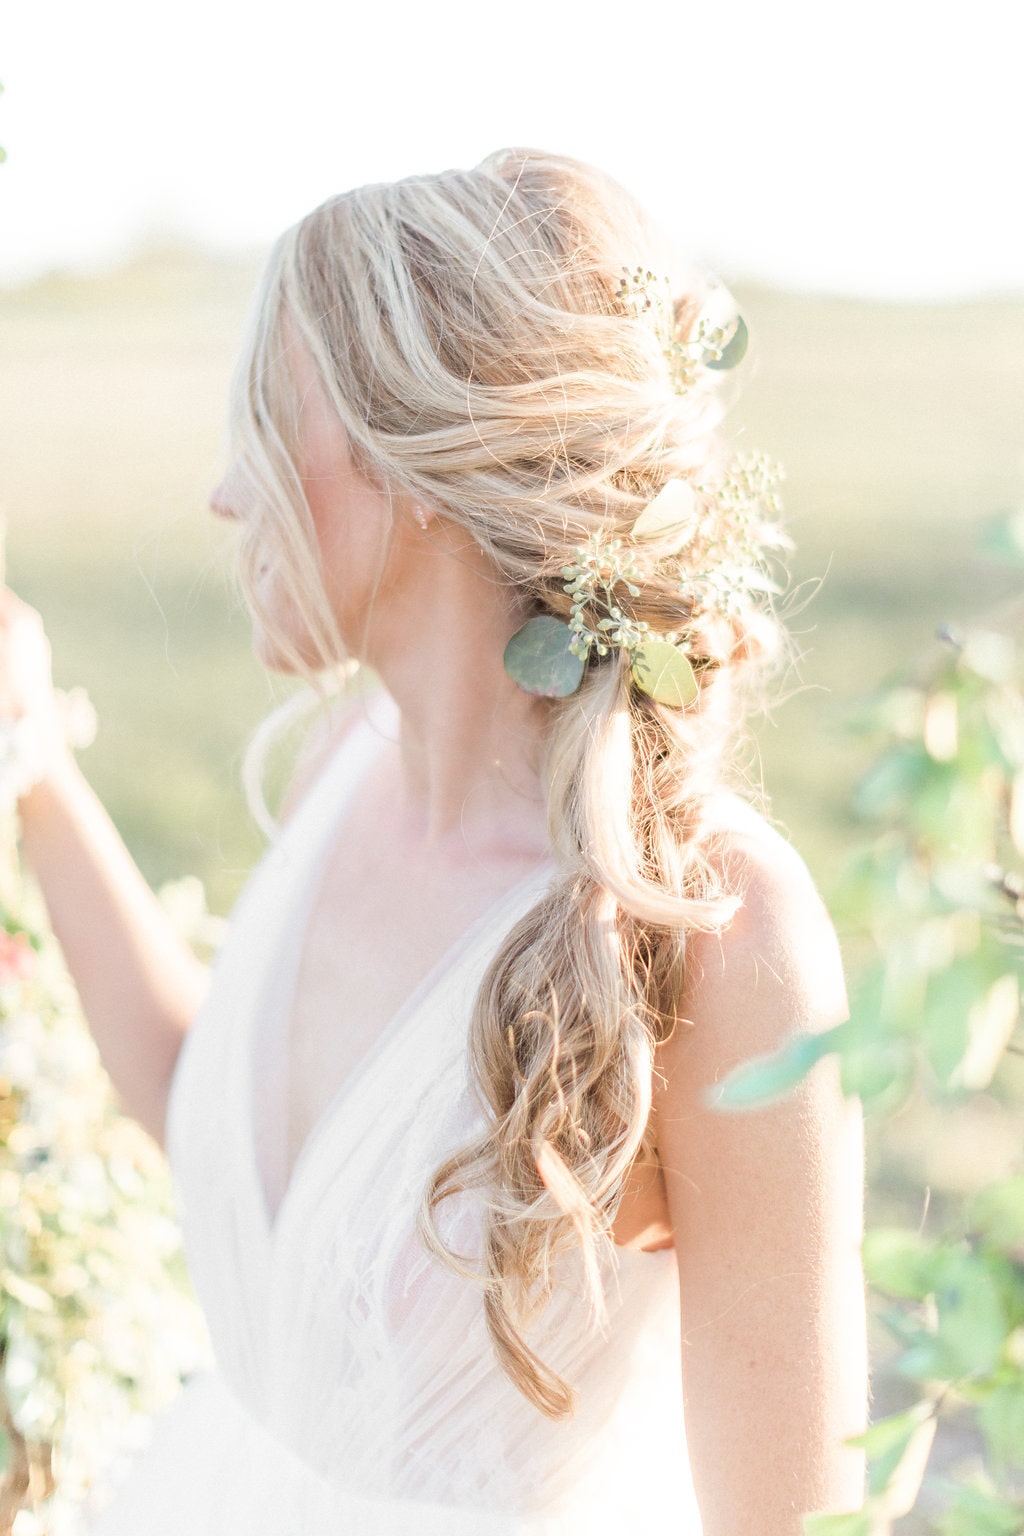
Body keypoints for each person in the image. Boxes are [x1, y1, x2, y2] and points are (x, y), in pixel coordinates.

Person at [0, 148, 867, 1534]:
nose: (229, 495)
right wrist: (33, 767)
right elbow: (213, 1130)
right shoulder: (350, 766)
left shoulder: (715, 932)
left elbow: (794, 1519)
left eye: (266, 427)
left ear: (413, 457)